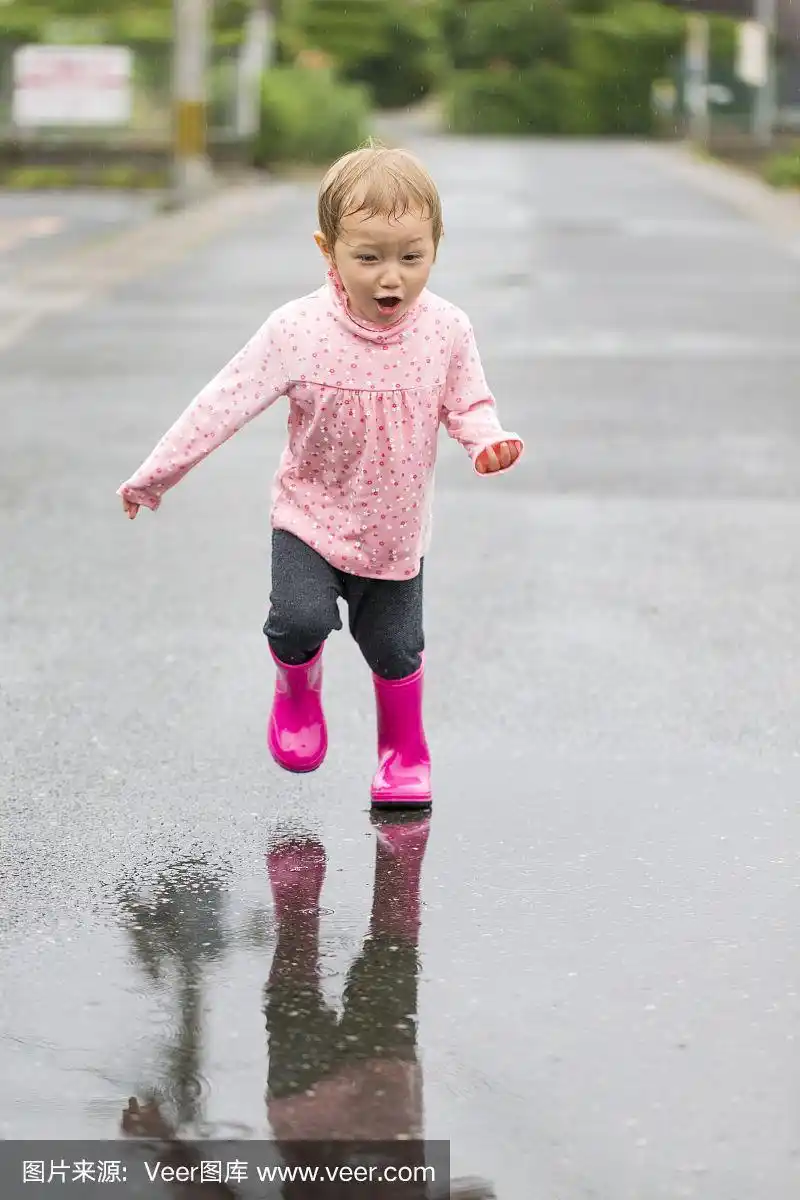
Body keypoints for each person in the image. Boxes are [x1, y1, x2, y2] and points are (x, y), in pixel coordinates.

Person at [117, 141, 523, 807]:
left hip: (393, 533)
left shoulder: (447, 329)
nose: (391, 278)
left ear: (436, 247)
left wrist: (487, 441)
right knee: (298, 619)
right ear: (327, 250)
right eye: (368, 258)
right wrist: (154, 476)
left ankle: (403, 754)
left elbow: (469, 404)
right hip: (309, 517)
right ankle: (298, 692)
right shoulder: (297, 330)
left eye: (411, 257)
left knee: (396, 648)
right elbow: (222, 402)